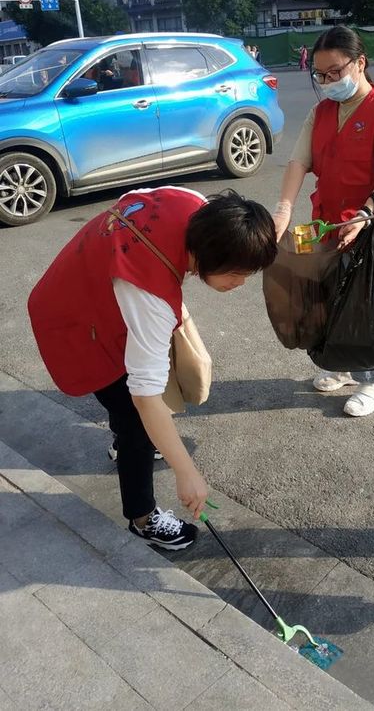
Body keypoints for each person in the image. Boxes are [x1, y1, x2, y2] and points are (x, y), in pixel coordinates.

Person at [28, 188, 277, 550]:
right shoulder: (151, 297)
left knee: (134, 404)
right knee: (136, 418)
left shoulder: (194, 205)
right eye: (236, 274)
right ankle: (143, 518)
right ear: (209, 254)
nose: (240, 285)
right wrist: (187, 473)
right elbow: (145, 396)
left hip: (94, 288)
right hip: (75, 320)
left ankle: (129, 444)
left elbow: (133, 198)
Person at [272, 25, 374, 417]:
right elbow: (298, 162)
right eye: (320, 74)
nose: (328, 81)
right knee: (328, 297)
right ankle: (344, 366)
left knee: (365, 304)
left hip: (370, 225)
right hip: (326, 223)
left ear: (360, 63)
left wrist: (365, 216)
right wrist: (284, 208)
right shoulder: (321, 113)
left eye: (335, 72)